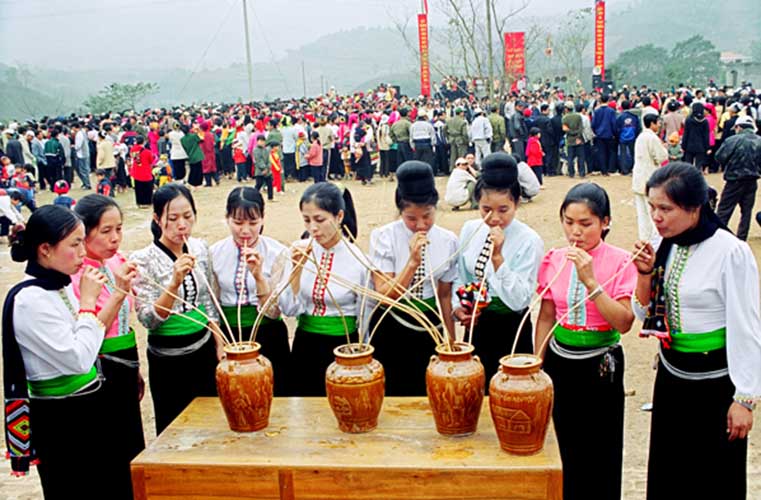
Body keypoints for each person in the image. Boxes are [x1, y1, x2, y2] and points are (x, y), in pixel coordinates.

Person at [633, 162, 761, 499]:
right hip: (673, 379)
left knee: (714, 477)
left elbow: (747, 327)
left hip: (716, 386)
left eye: (665, 208)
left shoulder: (730, 252)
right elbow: (642, 313)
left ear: (694, 208)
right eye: (652, 207)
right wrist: (644, 274)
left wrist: (745, 399)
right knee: (670, 471)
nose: (656, 217)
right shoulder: (667, 244)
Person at [2, 205, 131, 496]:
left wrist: (118, 292)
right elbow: (79, 359)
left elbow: (91, 336)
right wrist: (87, 303)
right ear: (45, 249)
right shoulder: (29, 300)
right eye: (74, 244)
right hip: (61, 418)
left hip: (85, 406)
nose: (83, 252)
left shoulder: (56, 286)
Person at [535, 183, 636, 500]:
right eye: (568, 222)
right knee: (562, 443)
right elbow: (547, 315)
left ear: (605, 222)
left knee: (601, 446)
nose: (575, 232)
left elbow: (624, 321)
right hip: (559, 361)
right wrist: (535, 365)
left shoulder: (621, 261)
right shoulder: (554, 259)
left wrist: (591, 281)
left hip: (600, 363)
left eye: (585, 223)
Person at [131, 183, 222, 433]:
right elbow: (148, 319)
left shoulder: (200, 249)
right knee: (173, 427)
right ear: (157, 219)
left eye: (187, 216)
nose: (181, 224)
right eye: (172, 218)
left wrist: (219, 343)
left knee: (210, 422)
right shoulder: (142, 259)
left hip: (203, 352)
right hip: (167, 360)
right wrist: (174, 282)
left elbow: (209, 300)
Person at [72, 195, 145, 499]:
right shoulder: (77, 276)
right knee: (107, 446)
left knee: (131, 441)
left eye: (119, 229)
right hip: (99, 363)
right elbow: (89, 333)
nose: (115, 238)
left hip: (125, 357)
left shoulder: (117, 260)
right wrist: (119, 292)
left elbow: (130, 318)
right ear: (83, 233)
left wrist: (135, 367)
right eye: (105, 231)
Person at [452, 153, 543, 387]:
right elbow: (461, 277)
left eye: (503, 209)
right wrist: (460, 307)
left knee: (512, 392)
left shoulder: (529, 240)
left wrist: (498, 259)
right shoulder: (470, 229)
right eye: (486, 209)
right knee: (475, 390)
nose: (494, 218)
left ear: (517, 202)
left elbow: (519, 299)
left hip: (511, 327)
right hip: (478, 325)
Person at [369, 161, 457, 395]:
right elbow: (384, 295)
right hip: (392, 324)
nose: (420, 225)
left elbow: (445, 295)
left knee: (431, 391)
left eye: (427, 216)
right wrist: (412, 263)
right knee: (393, 394)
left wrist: (450, 342)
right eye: (411, 218)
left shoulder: (448, 241)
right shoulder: (383, 237)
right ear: (400, 211)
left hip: (430, 325)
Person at [277, 182, 365, 396]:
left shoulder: (358, 260)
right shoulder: (300, 251)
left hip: (343, 347)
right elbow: (288, 309)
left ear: (339, 216)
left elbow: (366, 317)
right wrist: (296, 271)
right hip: (305, 344)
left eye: (320, 220)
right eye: (306, 220)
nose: (312, 228)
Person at [210, 187, 290, 395]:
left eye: (253, 223)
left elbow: (275, 312)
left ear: (263, 219)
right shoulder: (215, 253)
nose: (245, 230)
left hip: (268, 335)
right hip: (230, 335)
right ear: (227, 218)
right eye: (238, 222)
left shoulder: (278, 252)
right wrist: (220, 343)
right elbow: (212, 304)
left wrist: (259, 277)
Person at [715, 116, 761, 241]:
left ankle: (719, 237)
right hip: (752, 180)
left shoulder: (732, 140)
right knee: (746, 212)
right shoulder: (759, 140)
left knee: (724, 210)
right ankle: (742, 238)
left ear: (738, 127)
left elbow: (719, 157)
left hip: (733, 180)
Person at [632, 114, 668, 240]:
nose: (659, 125)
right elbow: (661, 156)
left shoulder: (641, 137)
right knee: (652, 212)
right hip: (650, 178)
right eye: (657, 123)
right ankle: (655, 241)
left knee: (642, 215)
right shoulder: (652, 138)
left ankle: (645, 239)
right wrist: (665, 148)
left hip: (639, 178)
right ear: (652, 123)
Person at [130, 135, 155, 209]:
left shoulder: (132, 150)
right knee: (147, 189)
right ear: (143, 142)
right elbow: (151, 161)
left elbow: (132, 157)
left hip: (136, 172)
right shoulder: (147, 152)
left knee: (138, 189)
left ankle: (139, 203)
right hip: (146, 172)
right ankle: (147, 203)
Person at [253, 135, 274, 200]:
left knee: (270, 184)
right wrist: (264, 168)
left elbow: (268, 160)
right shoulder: (256, 150)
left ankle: (270, 197)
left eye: (263, 141)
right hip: (260, 171)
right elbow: (258, 161)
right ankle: (253, 196)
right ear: (257, 141)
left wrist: (267, 168)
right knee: (258, 184)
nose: (262, 143)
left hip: (267, 170)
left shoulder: (266, 150)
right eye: (260, 141)